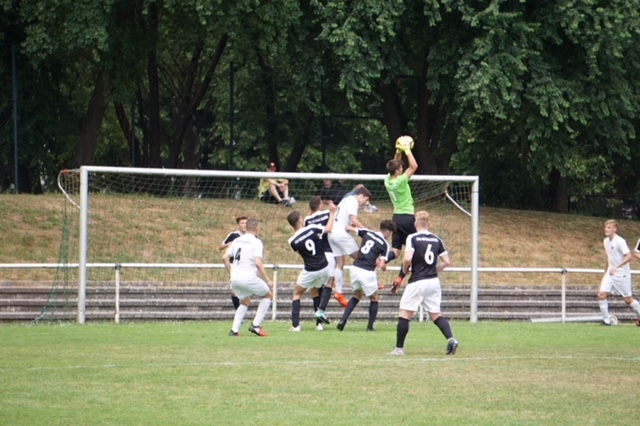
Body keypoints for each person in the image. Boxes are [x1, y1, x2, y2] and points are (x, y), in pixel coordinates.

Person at [387, 211, 459, 356]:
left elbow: (407, 258)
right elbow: (447, 262)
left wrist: (405, 270)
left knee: (404, 313)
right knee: (436, 315)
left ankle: (399, 349)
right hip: (433, 282)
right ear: (429, 224)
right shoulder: (437, 239)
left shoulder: (412, 237)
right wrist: (434, 270)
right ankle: (451, 339)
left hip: (418, 281)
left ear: (415, 224)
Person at [337, 220, 397, 332]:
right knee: (375, 298)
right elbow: (381, 265)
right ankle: (370, 327)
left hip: (355, 269)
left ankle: (342, 321)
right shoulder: (384, 244)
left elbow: (349, 228)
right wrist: (384, 268)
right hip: (367, 272)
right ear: (388, 232)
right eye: (391, 233)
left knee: (357, 295)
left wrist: (347, 227)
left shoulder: (368, 232)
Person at [287, 203, 337, 332]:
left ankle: (296, 326)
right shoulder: (312, 228)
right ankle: (319, 325)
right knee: (315, 292)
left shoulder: (292, 241)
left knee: (297, 293)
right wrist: (332, 213)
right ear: (300, 220)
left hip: (310, 269)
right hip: (324, 267)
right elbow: (328, 228)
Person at [222, 218, 273, 337]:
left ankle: (234, 331)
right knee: (268, 295)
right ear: (257, 228)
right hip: (248, 277)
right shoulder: (256, 242)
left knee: (245, 301)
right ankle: (256, 325)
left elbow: (224, 258)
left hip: (235, 279)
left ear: (247, 227)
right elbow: (258, 262)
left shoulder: (237, 240)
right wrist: (268, 280)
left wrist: (231, 273)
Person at [327, 185, 372, 307]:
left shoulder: (345, 199)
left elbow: (350, 223)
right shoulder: (353, 201)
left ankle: (339, 292)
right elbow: (354, 220)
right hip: (340, 234)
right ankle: (370, 282)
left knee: (340, 262)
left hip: (332, 233)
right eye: (366, 200)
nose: (366, 203)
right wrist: (368, 232)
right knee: (361, 257)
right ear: (361, 195)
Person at [384, 136, 419, 289]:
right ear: (398, 171)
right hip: (407, 217)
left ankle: (383, 260)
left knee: (396, 250)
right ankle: (401, 276)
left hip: (396, 218)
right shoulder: (401, 180)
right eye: (401, 168)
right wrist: (407, 150)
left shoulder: (388, 180)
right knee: (416, 247)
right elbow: (414, 166)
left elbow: (395, 163)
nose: (402, 169)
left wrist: (398, 151)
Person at [304, 196, 338, 331]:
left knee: (315, 290)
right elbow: (332, 226)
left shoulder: (307, 220)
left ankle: (319, 324)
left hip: (315, 256)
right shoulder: (327, 214)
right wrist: (333, 211)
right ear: (320, 206)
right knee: (329, 283)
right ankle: (321, 311)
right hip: (328, 252)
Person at [599, 219, 640, 326]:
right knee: (601, 295)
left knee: (628, 299)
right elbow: (608, 257)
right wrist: (606, 272)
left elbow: (629, 256)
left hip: (622, 274)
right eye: (605, 227)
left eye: (609, 227)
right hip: (610, 273)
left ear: (615, 229)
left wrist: (616, 267)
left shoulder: (620, 241)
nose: (606, 229)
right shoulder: (605, 241)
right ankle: (606, 321)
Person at [219, 216, 248, 310]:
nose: (244, 225)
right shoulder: (233, 235)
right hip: (234, 265)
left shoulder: (252, 236)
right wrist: (228, 244)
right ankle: (238, 311)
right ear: (238, 225)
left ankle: (242, 311)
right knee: (234, 292)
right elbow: (221, 247)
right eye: (242, 223)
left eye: (246, 223)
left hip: (246, 266)